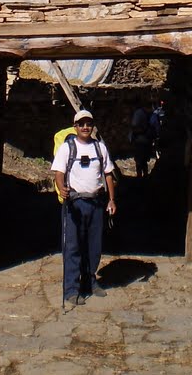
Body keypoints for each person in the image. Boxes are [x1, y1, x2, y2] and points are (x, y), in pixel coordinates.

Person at [51, 109, 117, 308]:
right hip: (75, 203)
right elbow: (59, 171)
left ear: (92, 126)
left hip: (96, 202)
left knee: (94, 245)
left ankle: (90, 281)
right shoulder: (67, 148)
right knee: (73, 246)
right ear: (75, 127)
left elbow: (108, 175)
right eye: (81, 124)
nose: (85, 127)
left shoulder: (100, 149)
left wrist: (111, 200)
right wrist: (62, 188)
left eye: (89, 124)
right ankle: (71, 289)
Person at [129, 101, 153, 179]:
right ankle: (142, 177)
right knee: (141, 161)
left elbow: (134, 124)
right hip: (143, 140)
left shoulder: (142, 113)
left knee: (141, 160)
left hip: (142, 140)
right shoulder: (142, 113)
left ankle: (142, 177)